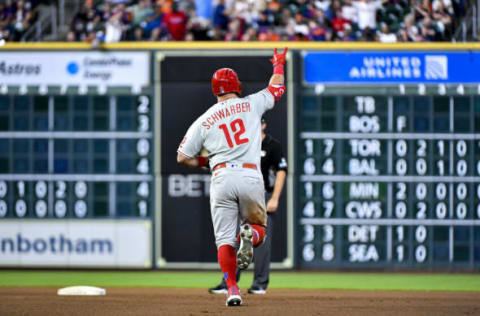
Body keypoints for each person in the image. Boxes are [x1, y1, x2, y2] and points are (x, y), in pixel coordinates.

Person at [177, 48, 287, 307]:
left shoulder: (204, 120)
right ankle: (249, 235)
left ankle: (232, 290)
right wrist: (279, 64)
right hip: (250, 173)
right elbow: (277, 88)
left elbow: (182, 156)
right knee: (259, 229)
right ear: (236, 86)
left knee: (224, 240)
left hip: (221, 175)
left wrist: (207, 161)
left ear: (215, 91)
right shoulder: (251, 103)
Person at [208, 116, 287, 295]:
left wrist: (274, 198)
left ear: (264, 125)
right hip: (241, 195)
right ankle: (229, 282)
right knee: (234, 237)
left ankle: (259, 284)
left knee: (261, 243)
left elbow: (281, 171)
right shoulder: (241, 144)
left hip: (262, 195)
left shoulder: (272, 145)